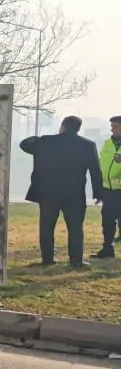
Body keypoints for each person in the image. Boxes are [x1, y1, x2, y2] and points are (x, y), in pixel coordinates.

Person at [19, 115, 103, 269]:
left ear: (63, 126)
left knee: (47, 226)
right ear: (78, 128)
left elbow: (23, 145)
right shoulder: (87, 145)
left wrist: (37, 138)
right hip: (75, 194)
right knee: (76, 228)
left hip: (48, 193)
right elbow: (95, 170)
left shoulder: (46, 142)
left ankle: (47, 259)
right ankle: (76, 261)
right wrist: (98, 192)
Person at [92, 115, 121, 258]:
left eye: (115, 126)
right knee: (107, 220)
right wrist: (99, 190)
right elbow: (101, 165)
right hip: (108, 191)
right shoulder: (107, 143)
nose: (112, 129)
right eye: (111, 126)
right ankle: (108, 248)